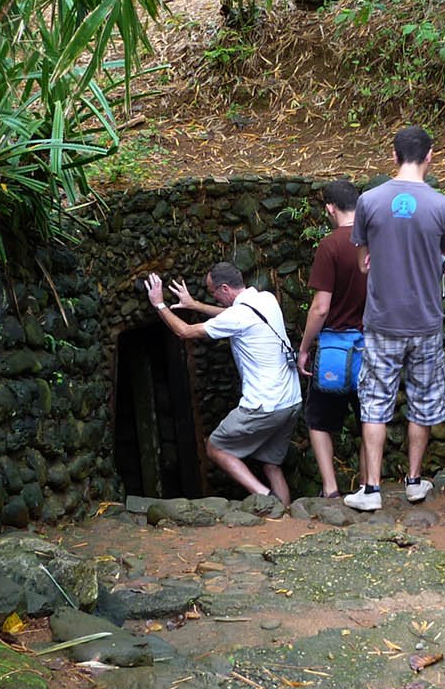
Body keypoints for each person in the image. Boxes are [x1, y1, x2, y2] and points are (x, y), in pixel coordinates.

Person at [344, 125, 445, 512]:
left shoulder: (369, 201)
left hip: (381, 321)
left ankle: (372, 489)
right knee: (423, 402)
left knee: (375, 402)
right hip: (425, 320)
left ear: (392, 156)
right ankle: (414, 481)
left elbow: (363, 260)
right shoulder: (444, 206)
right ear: (430, 156)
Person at [144, 264, 300, 506]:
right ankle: (288, 516)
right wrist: (194, 305)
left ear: (225, 288)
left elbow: (184, 331)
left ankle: (266, 498)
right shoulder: (266, 299)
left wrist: (159, 304)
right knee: (271, 464)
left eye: (213, 292)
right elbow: (231, 317)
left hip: (264, 405)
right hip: (291, 401)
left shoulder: (237, 316)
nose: (213, 296)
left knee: (216, 448)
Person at [297, 180, 367, 499]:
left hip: (336, 349)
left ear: (330, 208)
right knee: (370, 419)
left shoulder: (329, 246)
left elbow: (321, 306)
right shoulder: (375, 241)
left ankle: (331, 489)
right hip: (371, 346)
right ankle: (369, 486)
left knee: (319, 420)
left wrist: (304, 347)